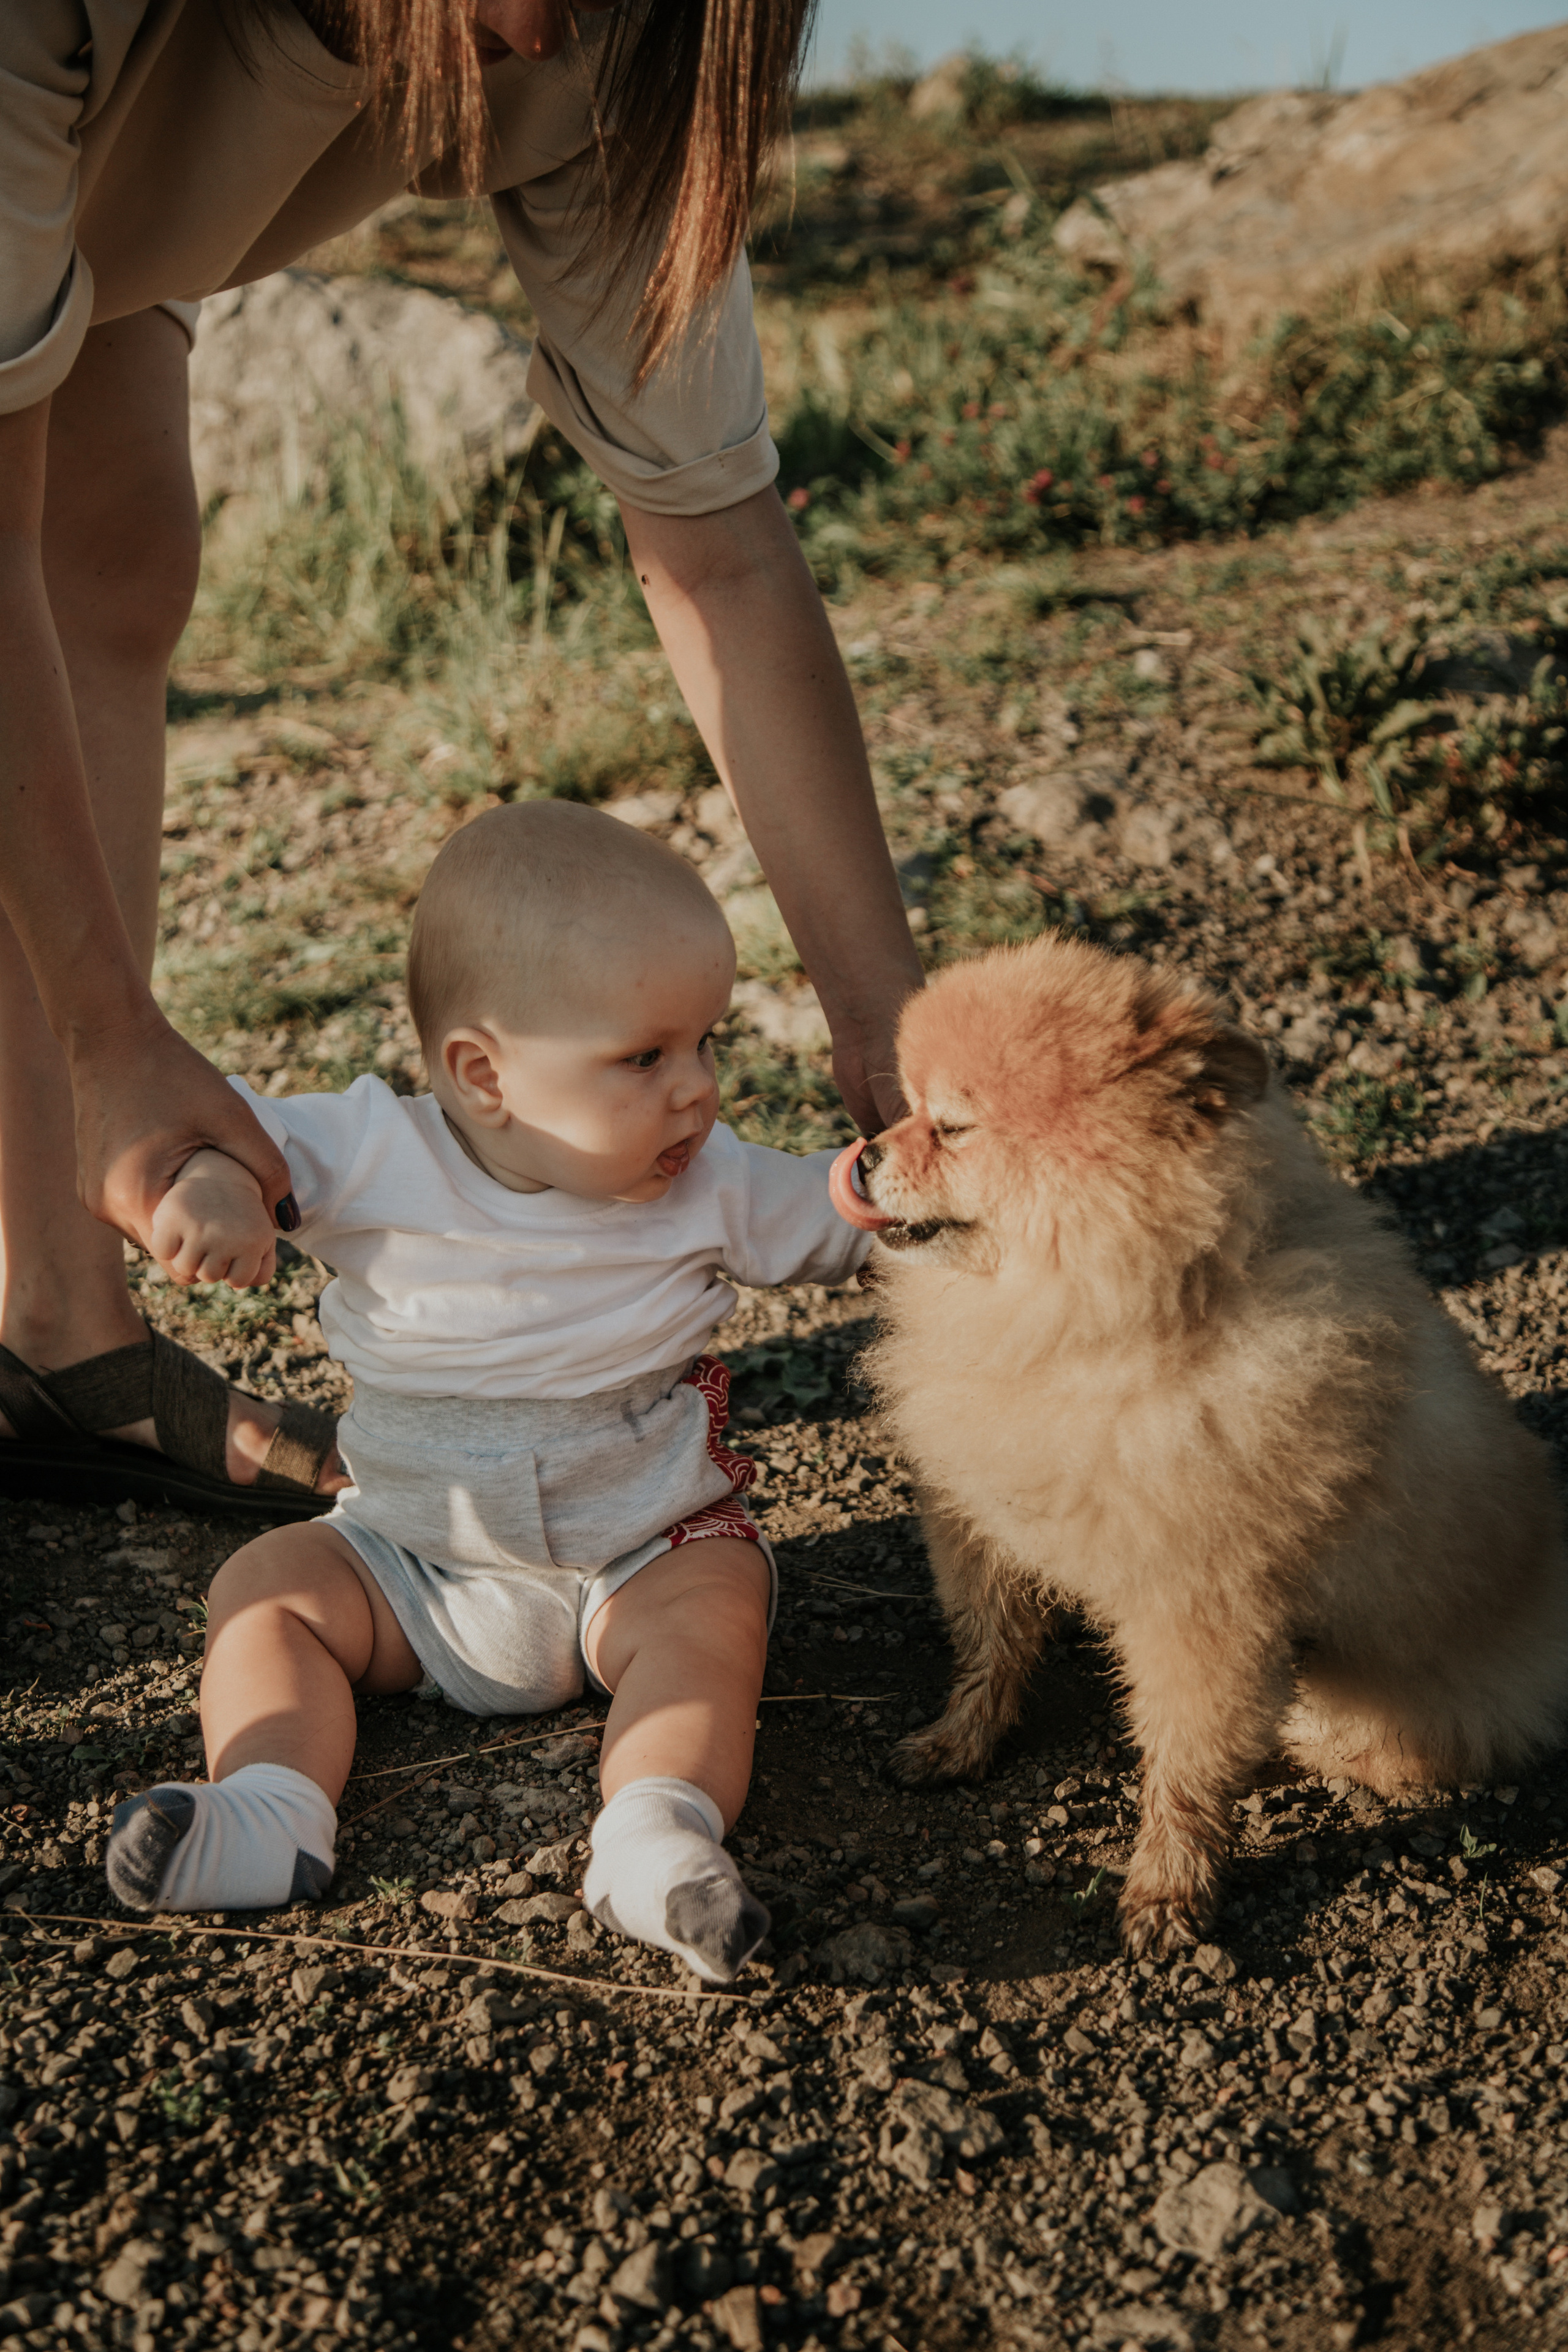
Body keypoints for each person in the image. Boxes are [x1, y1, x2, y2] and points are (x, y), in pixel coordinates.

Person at [0, 0, 922, 1512]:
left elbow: (720, 555)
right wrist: (111, 1040)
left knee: (113, 561)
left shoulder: (618, 39)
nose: (564, 26)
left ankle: (61, 1337)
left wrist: (884, 1012)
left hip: (99, 214)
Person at [105, 801, 870, 1981]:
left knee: (720, 1606)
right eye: (645, 1056)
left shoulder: (708, 1183)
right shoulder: (369, 1153)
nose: (698, 1091)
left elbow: (843, 1213)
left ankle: (656, 1830)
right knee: (268, 1588)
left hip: (640, 1549)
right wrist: (206, 1184)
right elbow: (228, 1133)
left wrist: (921, 1183)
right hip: (412, 1563)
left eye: (707, 1043)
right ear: (482, 1073)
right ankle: (271, 1803)